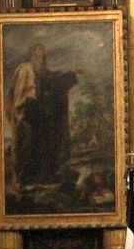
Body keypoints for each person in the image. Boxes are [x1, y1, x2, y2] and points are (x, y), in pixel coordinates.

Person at [8, 44, 82, 186]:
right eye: (36, 53)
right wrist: (20, 110)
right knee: (34, 142)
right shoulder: (25, 69)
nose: (39, 56)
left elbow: (52, 81)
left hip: (36, 110)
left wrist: (72, 73)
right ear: (30, 54)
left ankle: (47, 174)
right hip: (28, 110)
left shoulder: (41, 71)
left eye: (42, 54)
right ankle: (29, 178)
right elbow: (19, 94)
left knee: (50, 134)